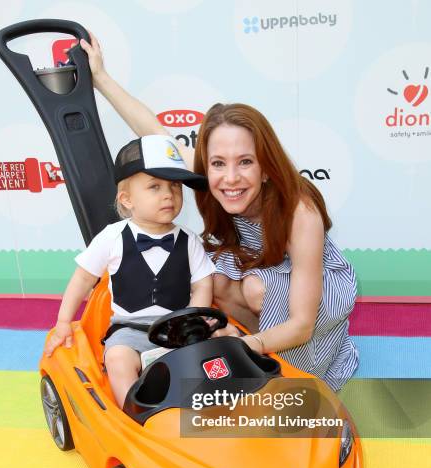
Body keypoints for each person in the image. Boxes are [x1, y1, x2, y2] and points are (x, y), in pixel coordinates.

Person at [79, 35, 358, 391]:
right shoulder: (212, 181)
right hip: (254, 262)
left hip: (313, 292)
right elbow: (152, 131)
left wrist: (240, 349)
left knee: (257, 290)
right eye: (218, 164)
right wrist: (100, 77)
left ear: (266, 167)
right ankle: (250, 338)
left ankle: (267, 350)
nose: (230, 178)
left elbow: (303, 324)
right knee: (211, 280)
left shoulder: (299, 210)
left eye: (245, 162)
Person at [44, 134, 215, 407]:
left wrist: (193, 318)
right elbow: (83, 278)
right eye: (154, 187)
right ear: (127, 200)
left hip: (177, 328)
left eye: (174, 186)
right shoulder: (112, 237)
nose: (168, 194)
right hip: (128, 330)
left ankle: (196, 409)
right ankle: (133, 412)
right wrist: (63, 322)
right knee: (117, 358)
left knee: (206, 357)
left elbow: (203, 284)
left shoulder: (190, 240)